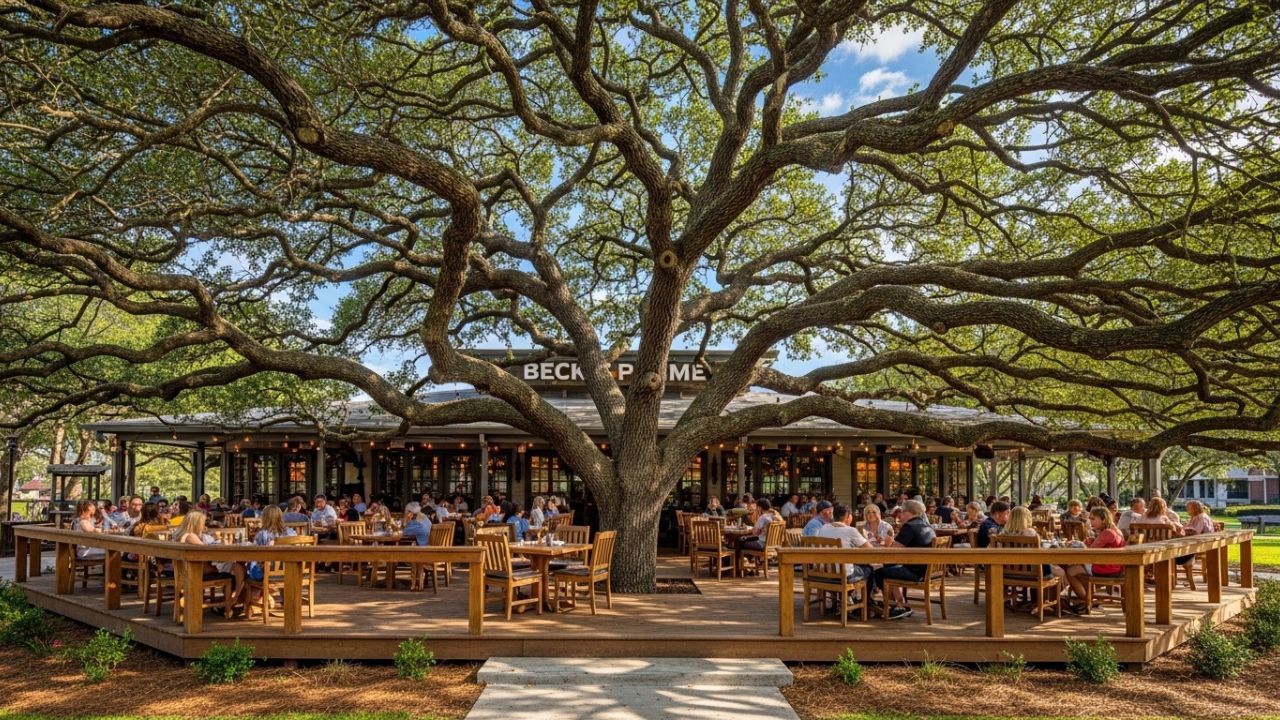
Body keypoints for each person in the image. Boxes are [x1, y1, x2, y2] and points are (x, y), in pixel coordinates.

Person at [872, 499, 935, 619]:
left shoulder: (910, 526)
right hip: (926, 570)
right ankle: (900, 603)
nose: (900, 515)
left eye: (901, 512)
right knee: (888, 566)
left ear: (908, 512)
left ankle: (895, 606)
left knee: (879, 573)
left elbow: (895, 548)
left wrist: (888, 541)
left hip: (915, 572)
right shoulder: (926, 525)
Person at [1062, 507, 1126, 614]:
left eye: (1093, 519)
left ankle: (1086, 600)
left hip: (1106, 569)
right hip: (1113, 567)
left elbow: (1090, 551)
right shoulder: (1114, 531)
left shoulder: (1107, 533)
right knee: (1076, 568)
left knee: (1070, 571)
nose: (1090, 521)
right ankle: (1088, 598)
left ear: (1103, 520)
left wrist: (1083, 544)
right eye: (1090, 518)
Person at [173, 510, 245, 603]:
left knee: (236, 566)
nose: (204, 525)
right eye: (202, 523)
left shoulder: (180, 535)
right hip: (198, 570)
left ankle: (234, 596)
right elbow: (206, 550)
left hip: (190, 568)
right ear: (196, 524)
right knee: (238, 567)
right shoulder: (190, 536)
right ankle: (234, 597)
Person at [817, 504, 874, 588]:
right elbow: (870, 549)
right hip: (845, 575)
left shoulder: (823, 528)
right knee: (869, 569)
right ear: (848, 516)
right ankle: (860, 599)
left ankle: (847, 597)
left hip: (826, 572)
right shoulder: (850, 530)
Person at [999, 506, 1060, 580]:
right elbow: (1039, 552)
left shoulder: (1002, 534)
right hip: (1031, 572)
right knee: (1060, 572)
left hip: (1007, 573)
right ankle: (1061, 591)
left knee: (1054, 568)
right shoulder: (1029, 532)